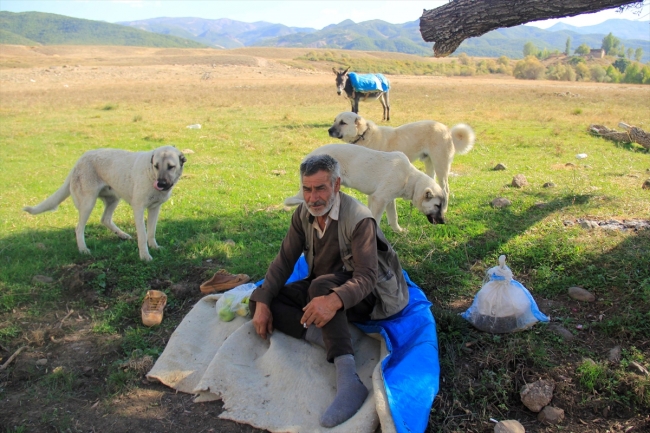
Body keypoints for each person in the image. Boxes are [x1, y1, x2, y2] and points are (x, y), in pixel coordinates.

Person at [249, 153, 409, 428]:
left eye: (320, 188)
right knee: (260, 298)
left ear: (336, 186)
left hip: (371, 295)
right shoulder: (304, 213)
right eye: (307, 189)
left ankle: (348, 379)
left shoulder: (360, 219)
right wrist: (263, 300)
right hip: (323, 286)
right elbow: (285, 260)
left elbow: (368, 277)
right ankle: (330, 337)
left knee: (321, 286)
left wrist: (333, 300)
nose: (313, 198)